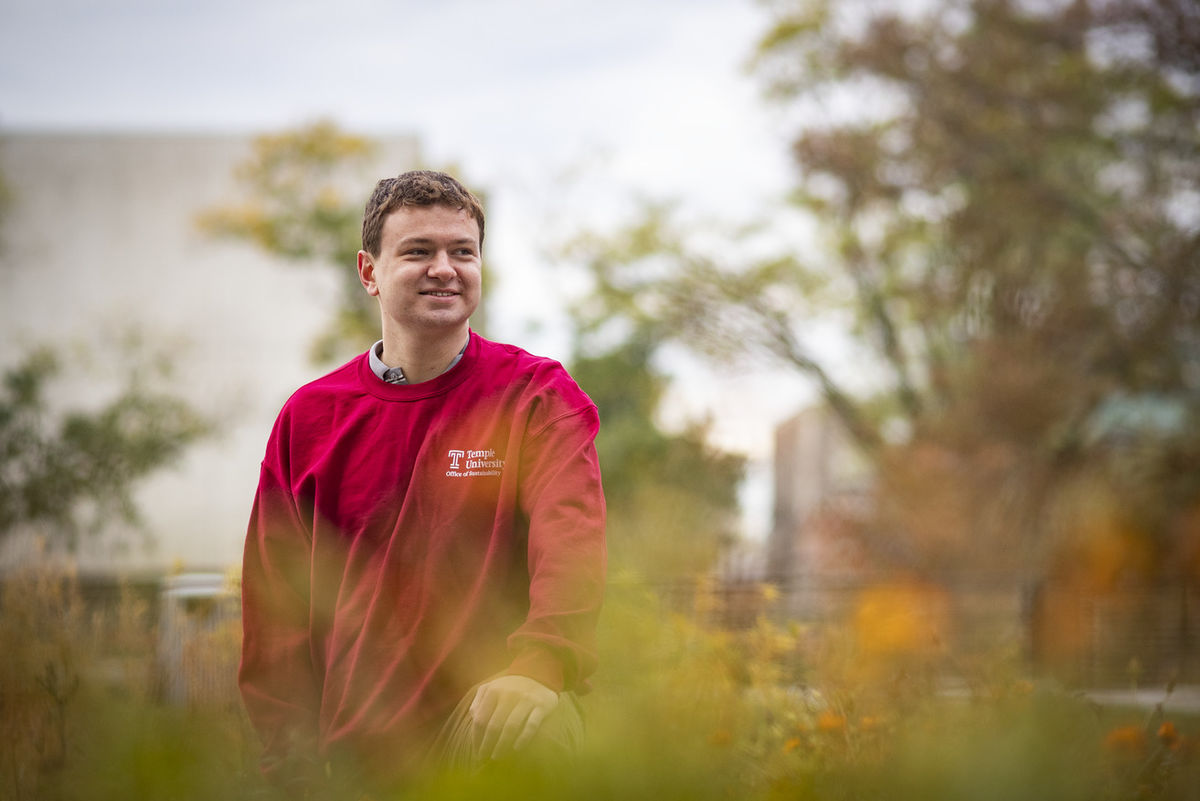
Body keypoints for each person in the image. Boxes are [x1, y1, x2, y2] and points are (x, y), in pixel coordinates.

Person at [238, 170, 606, 794]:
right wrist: (291, 769)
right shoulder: (310, 419)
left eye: (463, 252)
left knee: (538, 727)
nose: (446, 268)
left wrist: (540, 666)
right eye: (418, 252)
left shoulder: (534, 395)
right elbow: (275, 613)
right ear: (369, 271)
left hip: (484, 729)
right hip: (355, 757)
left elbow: (571, 538)